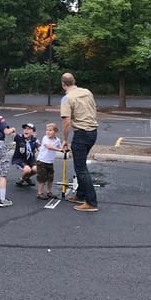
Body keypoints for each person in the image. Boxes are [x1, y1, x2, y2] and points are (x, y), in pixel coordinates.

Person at [60, 72, 99, 212]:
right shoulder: (87, 92)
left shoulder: (66, 98)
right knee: (81, 165)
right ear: (74, 81)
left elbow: (66, 121)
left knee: (81, 168)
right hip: (93, 132)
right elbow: (94, 109)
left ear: (63, 84)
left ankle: (91, 202)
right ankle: (81, 195)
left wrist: (64, 140)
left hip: (81, 134)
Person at [36, 122, 62, 200]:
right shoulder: (45, 138)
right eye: (47, 130)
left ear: (55, 131)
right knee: (42, 178)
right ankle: (40, 193)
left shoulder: (57, 140)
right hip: (42, 161)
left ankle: (49, 192)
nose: (48, 132)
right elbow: (49, 147)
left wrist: (64, 148)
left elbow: (60, 146)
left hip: (50, 162)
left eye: (50, 130)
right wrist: (59, 150)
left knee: (50, 178)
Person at [12, 123, 40, 187]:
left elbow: (40, 149)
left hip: (30, 160)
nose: (26, 130)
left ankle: (26, 178)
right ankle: (21, 179)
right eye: (25, 129)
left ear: (33, 132)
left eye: (29, 129)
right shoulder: (19, 137)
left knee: (37, 169)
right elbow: (12, 134)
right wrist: (11, 130)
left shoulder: (35, 140)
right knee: (27, 170)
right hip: (19, 159)